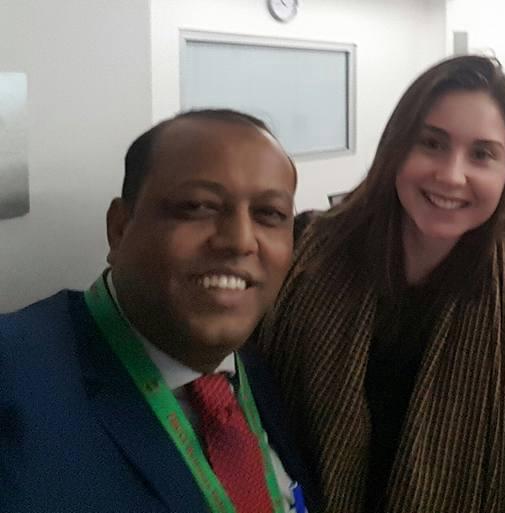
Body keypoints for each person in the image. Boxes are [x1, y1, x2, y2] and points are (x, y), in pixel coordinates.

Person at [256, 55, 505, 513]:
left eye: (482, 154)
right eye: (431, 143)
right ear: (396, 147)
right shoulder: (302, 250)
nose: (451, 175)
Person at [0, 110, 311, 513]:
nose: (239, 241)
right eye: (197, 206)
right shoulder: (14, 381)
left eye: (270, 214)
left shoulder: (273, 376)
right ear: (119, 228)